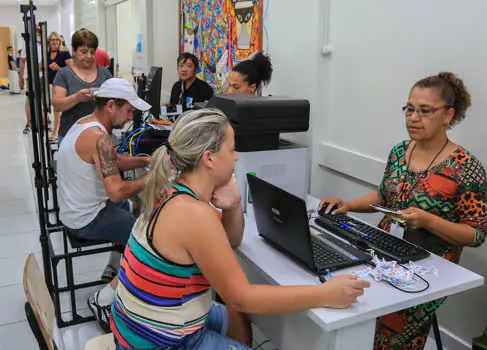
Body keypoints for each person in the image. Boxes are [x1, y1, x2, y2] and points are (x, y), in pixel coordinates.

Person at [110, 109, 371, 349]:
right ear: (209, 158)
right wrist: (325, 294)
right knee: (238, 307)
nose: (236, 157)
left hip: (140, 322)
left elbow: (231, 239)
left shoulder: (175, 190)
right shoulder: (194, 214)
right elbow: (241, 297)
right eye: (232, 149)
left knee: (236, 318)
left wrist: (233, 205)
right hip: (156, 341)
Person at [320, 72, 487, 349]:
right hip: (383, 253)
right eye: (409, 109)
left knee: (388, 336)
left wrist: (428, 221)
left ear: (448, 115)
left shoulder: (466, 168)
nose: (413, 117)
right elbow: (385, 197)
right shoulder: (400, 152)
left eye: (424, 111)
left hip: (427, 272)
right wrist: (348, 205)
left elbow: (476, 233)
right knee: (349, 312)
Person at [57, 78, 151, 332]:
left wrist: (145, 160)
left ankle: (114, 271)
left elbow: (113, 160)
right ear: (111, 106)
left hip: (75, 210)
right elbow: (117, 191)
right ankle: (101, 300)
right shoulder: (99, 138)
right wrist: (152, 177)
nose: (131, 117)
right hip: (86, 220)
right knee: (152, 242)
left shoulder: (85, 124)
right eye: (129, 110)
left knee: (136, 212)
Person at [53, 28, 112, 145]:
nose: (89, 56)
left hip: (99, 137)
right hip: (70, 136)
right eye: (83, 52)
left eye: (92, 52)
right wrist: (77, 98)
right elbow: (57, 105)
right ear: (74, 51)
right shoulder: (64, 74)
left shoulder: (105, 74)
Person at [46, 32, 73, 141]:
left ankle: (56, 131)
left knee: (57, 108)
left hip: (61, 84)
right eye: (52, 40)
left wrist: (58, 69)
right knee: (53, 108)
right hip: (50, 83)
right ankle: (57, 129)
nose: (54, 42)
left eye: (56, 40)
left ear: (60, 41)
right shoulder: (47, 53)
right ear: (49, 42)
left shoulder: (64, 53)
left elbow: (71, 70)